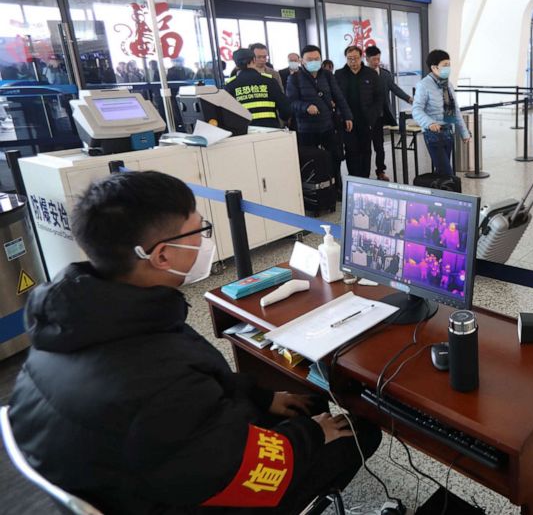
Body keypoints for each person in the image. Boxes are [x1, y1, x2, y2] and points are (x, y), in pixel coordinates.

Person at [7, 170, 381, 513]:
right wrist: (313, 434)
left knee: (305, 400)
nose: (204, 239)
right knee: (361, 431)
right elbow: (234, 470)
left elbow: (192, 379)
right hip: (194, 494)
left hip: (144, 468)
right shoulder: (156, 381)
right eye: (198, 231)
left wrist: (262, 397)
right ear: (163, 255)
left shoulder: (80, 317)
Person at [288, 45, 353, 195]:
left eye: (316, 59)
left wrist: (348, 115)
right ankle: (312, 192)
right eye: (310, 59)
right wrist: (305, 107)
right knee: (310, 161)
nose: (314, 62)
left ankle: (336, 188)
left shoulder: (327, 75)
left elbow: (339, 96)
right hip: (306, 129)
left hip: (327, 125)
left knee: (335, 157)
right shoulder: (295, 78)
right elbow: (291, 102)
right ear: (302, 61)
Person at [411, 49, 471, 178]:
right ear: (434, 67)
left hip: (448, 132)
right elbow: (416, 110)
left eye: (449, 65)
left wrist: (464, 132)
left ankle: (438, 194)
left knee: (442, 173)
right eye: (445, 65)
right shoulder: (424, 85)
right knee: (446, 172)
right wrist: (429, 123)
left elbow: (455, 111)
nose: (448, 68)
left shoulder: (448, 84)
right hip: (433, 134)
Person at [334, 46, 383, 179]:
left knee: (366, 150)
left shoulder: (371, 74)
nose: (353, 62)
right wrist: (341, 115)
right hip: (347, 120)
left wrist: (373, 117)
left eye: (355, 58)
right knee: (351, 151)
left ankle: (365, 179)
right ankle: (354, 178)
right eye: (349, 59)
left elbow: (379, 97)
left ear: (361, 57)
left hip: (366, 120)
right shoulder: (339, 74)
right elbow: (335, 97)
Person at [366, 45, 413, 181]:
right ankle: (363, 174)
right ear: (367, 59)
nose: (376, 62)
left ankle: (380, 171)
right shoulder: (362, 74)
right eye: (374, 59)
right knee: (365, 148)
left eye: (378, 59)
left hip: (379, 116)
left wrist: (409, 99)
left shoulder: (385, 74)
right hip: (364, 117)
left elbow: (395, 88)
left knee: (379, 146)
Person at [224, 48, 293, 128]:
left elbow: (226, 112)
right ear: (254, 60)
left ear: (236, 64)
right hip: (270, 129)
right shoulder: (269, 81)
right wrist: (284, 119)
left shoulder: (230, 84)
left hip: (244, 130)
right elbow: (285, 108)